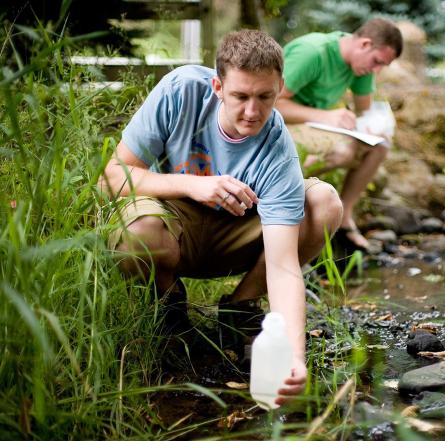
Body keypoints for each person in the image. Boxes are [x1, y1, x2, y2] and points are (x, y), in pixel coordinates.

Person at [99, 29, 343, 404]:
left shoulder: (277, 150)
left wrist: (294, 356)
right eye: (240, 96)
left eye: (265, 97)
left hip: (238, 230)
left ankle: (239, 309)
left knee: (324, 202)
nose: (252, 111)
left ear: (280, 86)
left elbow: (283, 266)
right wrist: (193, 186)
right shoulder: (181, 91)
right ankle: (170, 310)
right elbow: (113, 178)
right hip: (175, 218)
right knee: (137, 234)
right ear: (217, 87)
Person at [276, 18, 402, 252]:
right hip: (277, 127)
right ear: (365, 44)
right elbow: (269, 104)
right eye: (377, 62)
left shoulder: (361, 66)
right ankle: (283, 201)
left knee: (381, 144)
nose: (377, 70)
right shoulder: (313, 53)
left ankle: (344, 216)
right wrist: (324, 116)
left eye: (382, 66)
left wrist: (372, 126)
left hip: (311, 126)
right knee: (344, 150)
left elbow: (364, 110)